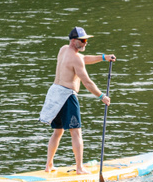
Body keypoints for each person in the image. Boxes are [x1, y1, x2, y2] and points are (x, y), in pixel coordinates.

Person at [38, 26, 116, 174]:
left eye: (86, 40)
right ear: (74, 41)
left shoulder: (63, 50)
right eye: (83, 40)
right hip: (67, 96)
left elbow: (83, 59)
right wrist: (102, 97)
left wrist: (103, 57)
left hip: (54, 93)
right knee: (76, 132)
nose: (86, 43)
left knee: (58, 131)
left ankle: (49, 165)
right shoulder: (76, 58)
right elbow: (87, 82)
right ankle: (79, 168)